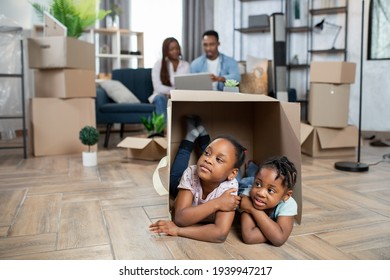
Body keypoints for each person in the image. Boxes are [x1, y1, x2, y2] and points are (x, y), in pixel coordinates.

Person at [149, 115, 246, 243]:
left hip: (220, 178)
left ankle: (198, 133)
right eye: (206, 153)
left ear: (232, 174)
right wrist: (217, 203)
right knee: (174, 180)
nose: (208, 159)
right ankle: (191, 137)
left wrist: (178, 231)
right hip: (182, 184)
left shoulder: (230, 187)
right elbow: (180, 218)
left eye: (219, 159)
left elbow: (220, 234)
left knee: (216, 162)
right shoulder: (191, 173)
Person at [239, 156, 298, 247]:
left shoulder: (288, 204)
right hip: (244, 185)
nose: (260, 193)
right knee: (242, 180)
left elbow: (279, 239)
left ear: (286, 195)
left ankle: (252, 168)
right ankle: (251, 168)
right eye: (258, 184)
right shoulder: (248, 194)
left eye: (270, 190)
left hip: (254, 180)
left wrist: (252, 209)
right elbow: (249, 236)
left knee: (253, 177)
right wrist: (272, 232)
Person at [149, 37, 190, 123]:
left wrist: (176, 94)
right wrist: (172, 92)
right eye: (171, 49)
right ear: (166, 51)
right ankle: (165, 130)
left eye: (177, 48)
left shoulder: (185, 65)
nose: (175, 51)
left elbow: (187, 85)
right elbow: (157, 87)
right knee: (160, 98)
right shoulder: (159, 64)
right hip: (162, 96)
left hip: (180, 97)